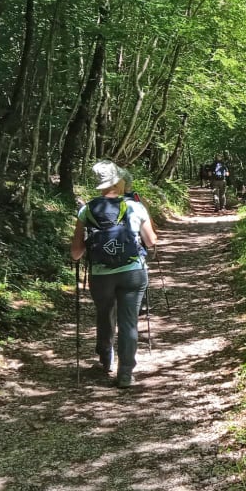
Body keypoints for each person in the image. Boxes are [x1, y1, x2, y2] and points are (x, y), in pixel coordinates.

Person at [71, 160, 158, 388]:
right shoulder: (135, 207)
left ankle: (105, 358)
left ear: (99, 185)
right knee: (129, 322)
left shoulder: (86, 210)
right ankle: (126, 373)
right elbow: (151, 241)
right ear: (119, 182)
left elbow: (76, 253)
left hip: (101, 275)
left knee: (104, 313)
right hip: (133, 272)